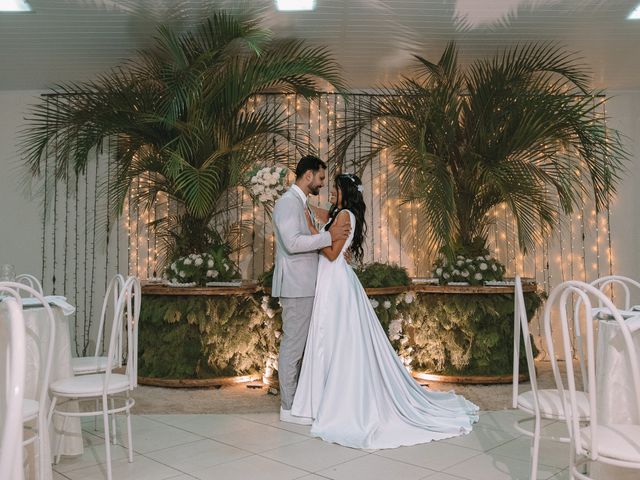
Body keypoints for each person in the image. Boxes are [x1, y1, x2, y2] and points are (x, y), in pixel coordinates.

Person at [290, 173, 479, 449]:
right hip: (330, 281)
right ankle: (321, 398)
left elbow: (331, 254)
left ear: (346, 192)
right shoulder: (337, 213)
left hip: (336, 284)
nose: (331, 192)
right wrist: (302, 203)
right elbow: (321, 215)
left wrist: (310, 228)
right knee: (328, 339)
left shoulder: (344, 216)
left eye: (335, 188)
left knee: (334, 339)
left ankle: (335, 401)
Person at [271, 155, 351, 425]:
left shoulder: (301, 204)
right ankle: (288, 405)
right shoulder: (286, 203)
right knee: (293, 346)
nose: (321, 183)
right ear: (308, 176)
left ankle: (300, 402)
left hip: (307, 283)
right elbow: (293, 243)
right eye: (320, 178)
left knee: (303, 346)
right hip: (296, 284)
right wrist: (330, 237)